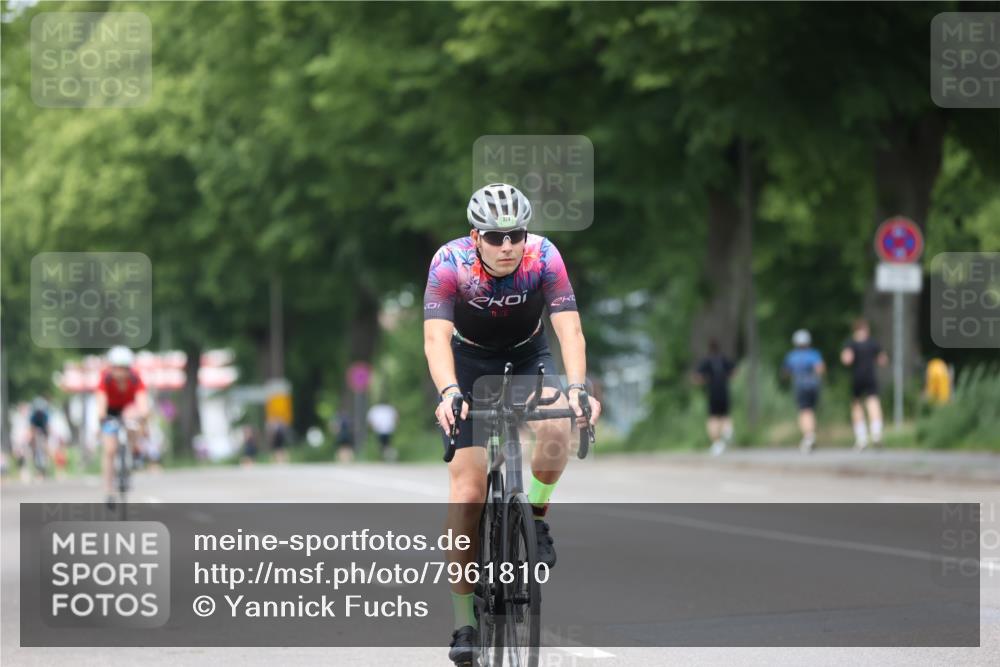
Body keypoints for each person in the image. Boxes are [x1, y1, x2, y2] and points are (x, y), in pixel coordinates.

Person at [423, 183, 602, 665]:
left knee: (557, 424)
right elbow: (436, 338)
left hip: (527, 359)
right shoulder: (449, 263)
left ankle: (537, 518)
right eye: (495, 237)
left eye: (515, 235)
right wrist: (448, 391)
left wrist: (579, 388)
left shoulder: (544, 256)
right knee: (467, 494)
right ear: (474, 235)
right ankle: (463, 622)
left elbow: (569, 328)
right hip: (468, 369)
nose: (507, 247)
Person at [95, 346, 149, 508]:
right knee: (110, 450)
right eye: (117, 368)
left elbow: (143, 405)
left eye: (124, 368)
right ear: (111, 368)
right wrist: (102, 419)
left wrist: (142, 417)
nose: (120, 373)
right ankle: (108, 490)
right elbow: (100, 406)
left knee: (134, 420)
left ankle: (133, 451)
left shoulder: (135, 379)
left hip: (128, 409)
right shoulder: (105, 379)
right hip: (110, 411)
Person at [840, 318, 889, 451]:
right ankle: (876, 434)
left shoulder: (850, 343)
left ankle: (861, 439)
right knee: (873, 403)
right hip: (870, 377)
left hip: (857, 378)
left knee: (857, 406)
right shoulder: (873, 343)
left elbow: (846, 360)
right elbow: (883, 360)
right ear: (866, 329)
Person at [782, 329, 825, 453]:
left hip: (800, 385)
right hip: (813, 384)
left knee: (804, 411)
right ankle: (810, 435)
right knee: (810, 410)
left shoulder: (792, 355)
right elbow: (820, 368)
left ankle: (808, 436)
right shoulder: (814, 354)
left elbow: (786, 371)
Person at [692, 340, 736, 455]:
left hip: (713, 393)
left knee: (713, 418)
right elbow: (734, 371)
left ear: (709, 349)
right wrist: (726, 378)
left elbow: (697, 377)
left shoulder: (706, 361)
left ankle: (717, 443)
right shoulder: (724, 359)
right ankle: (727, 431)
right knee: (725, 415)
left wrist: (704, 381)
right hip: (724, 391)